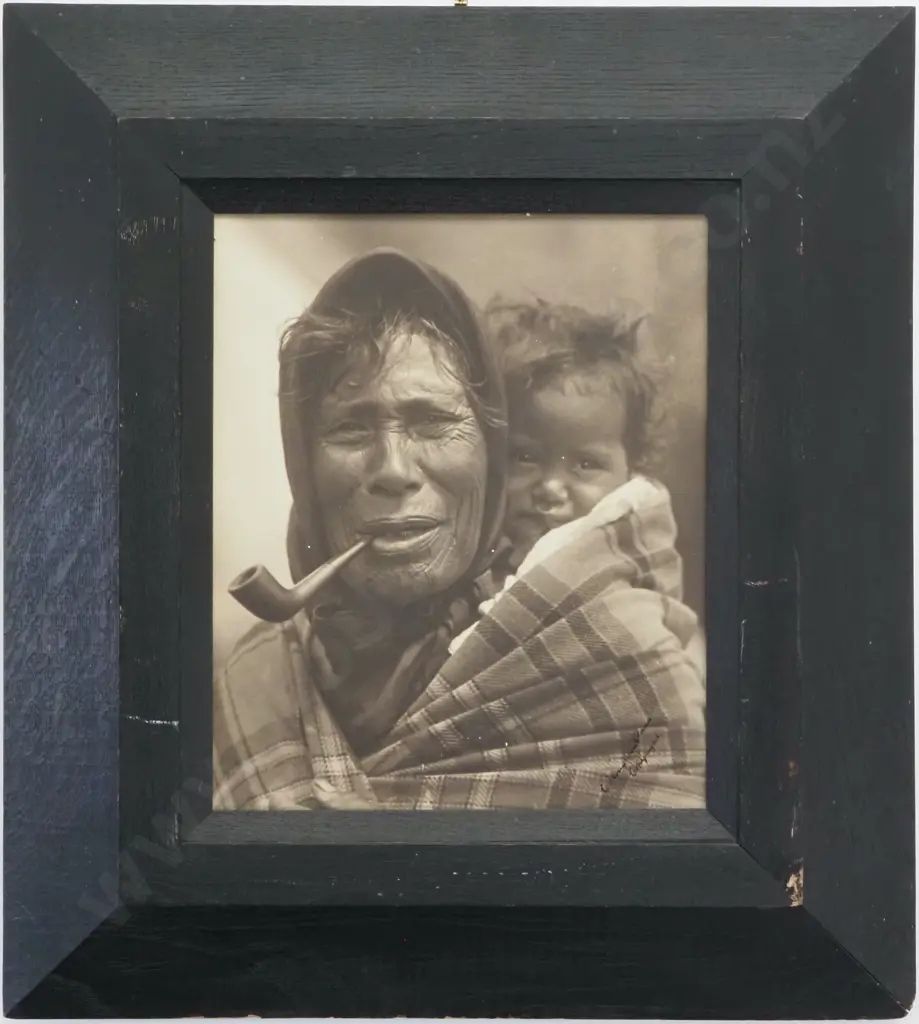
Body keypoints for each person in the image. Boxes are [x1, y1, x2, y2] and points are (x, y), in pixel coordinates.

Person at [214, 253, 704, 811]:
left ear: (489, 451)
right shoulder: (257, 683)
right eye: (350, 428)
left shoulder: (617, 651)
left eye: (433, 422)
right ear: (303, 462)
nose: (393, 470)